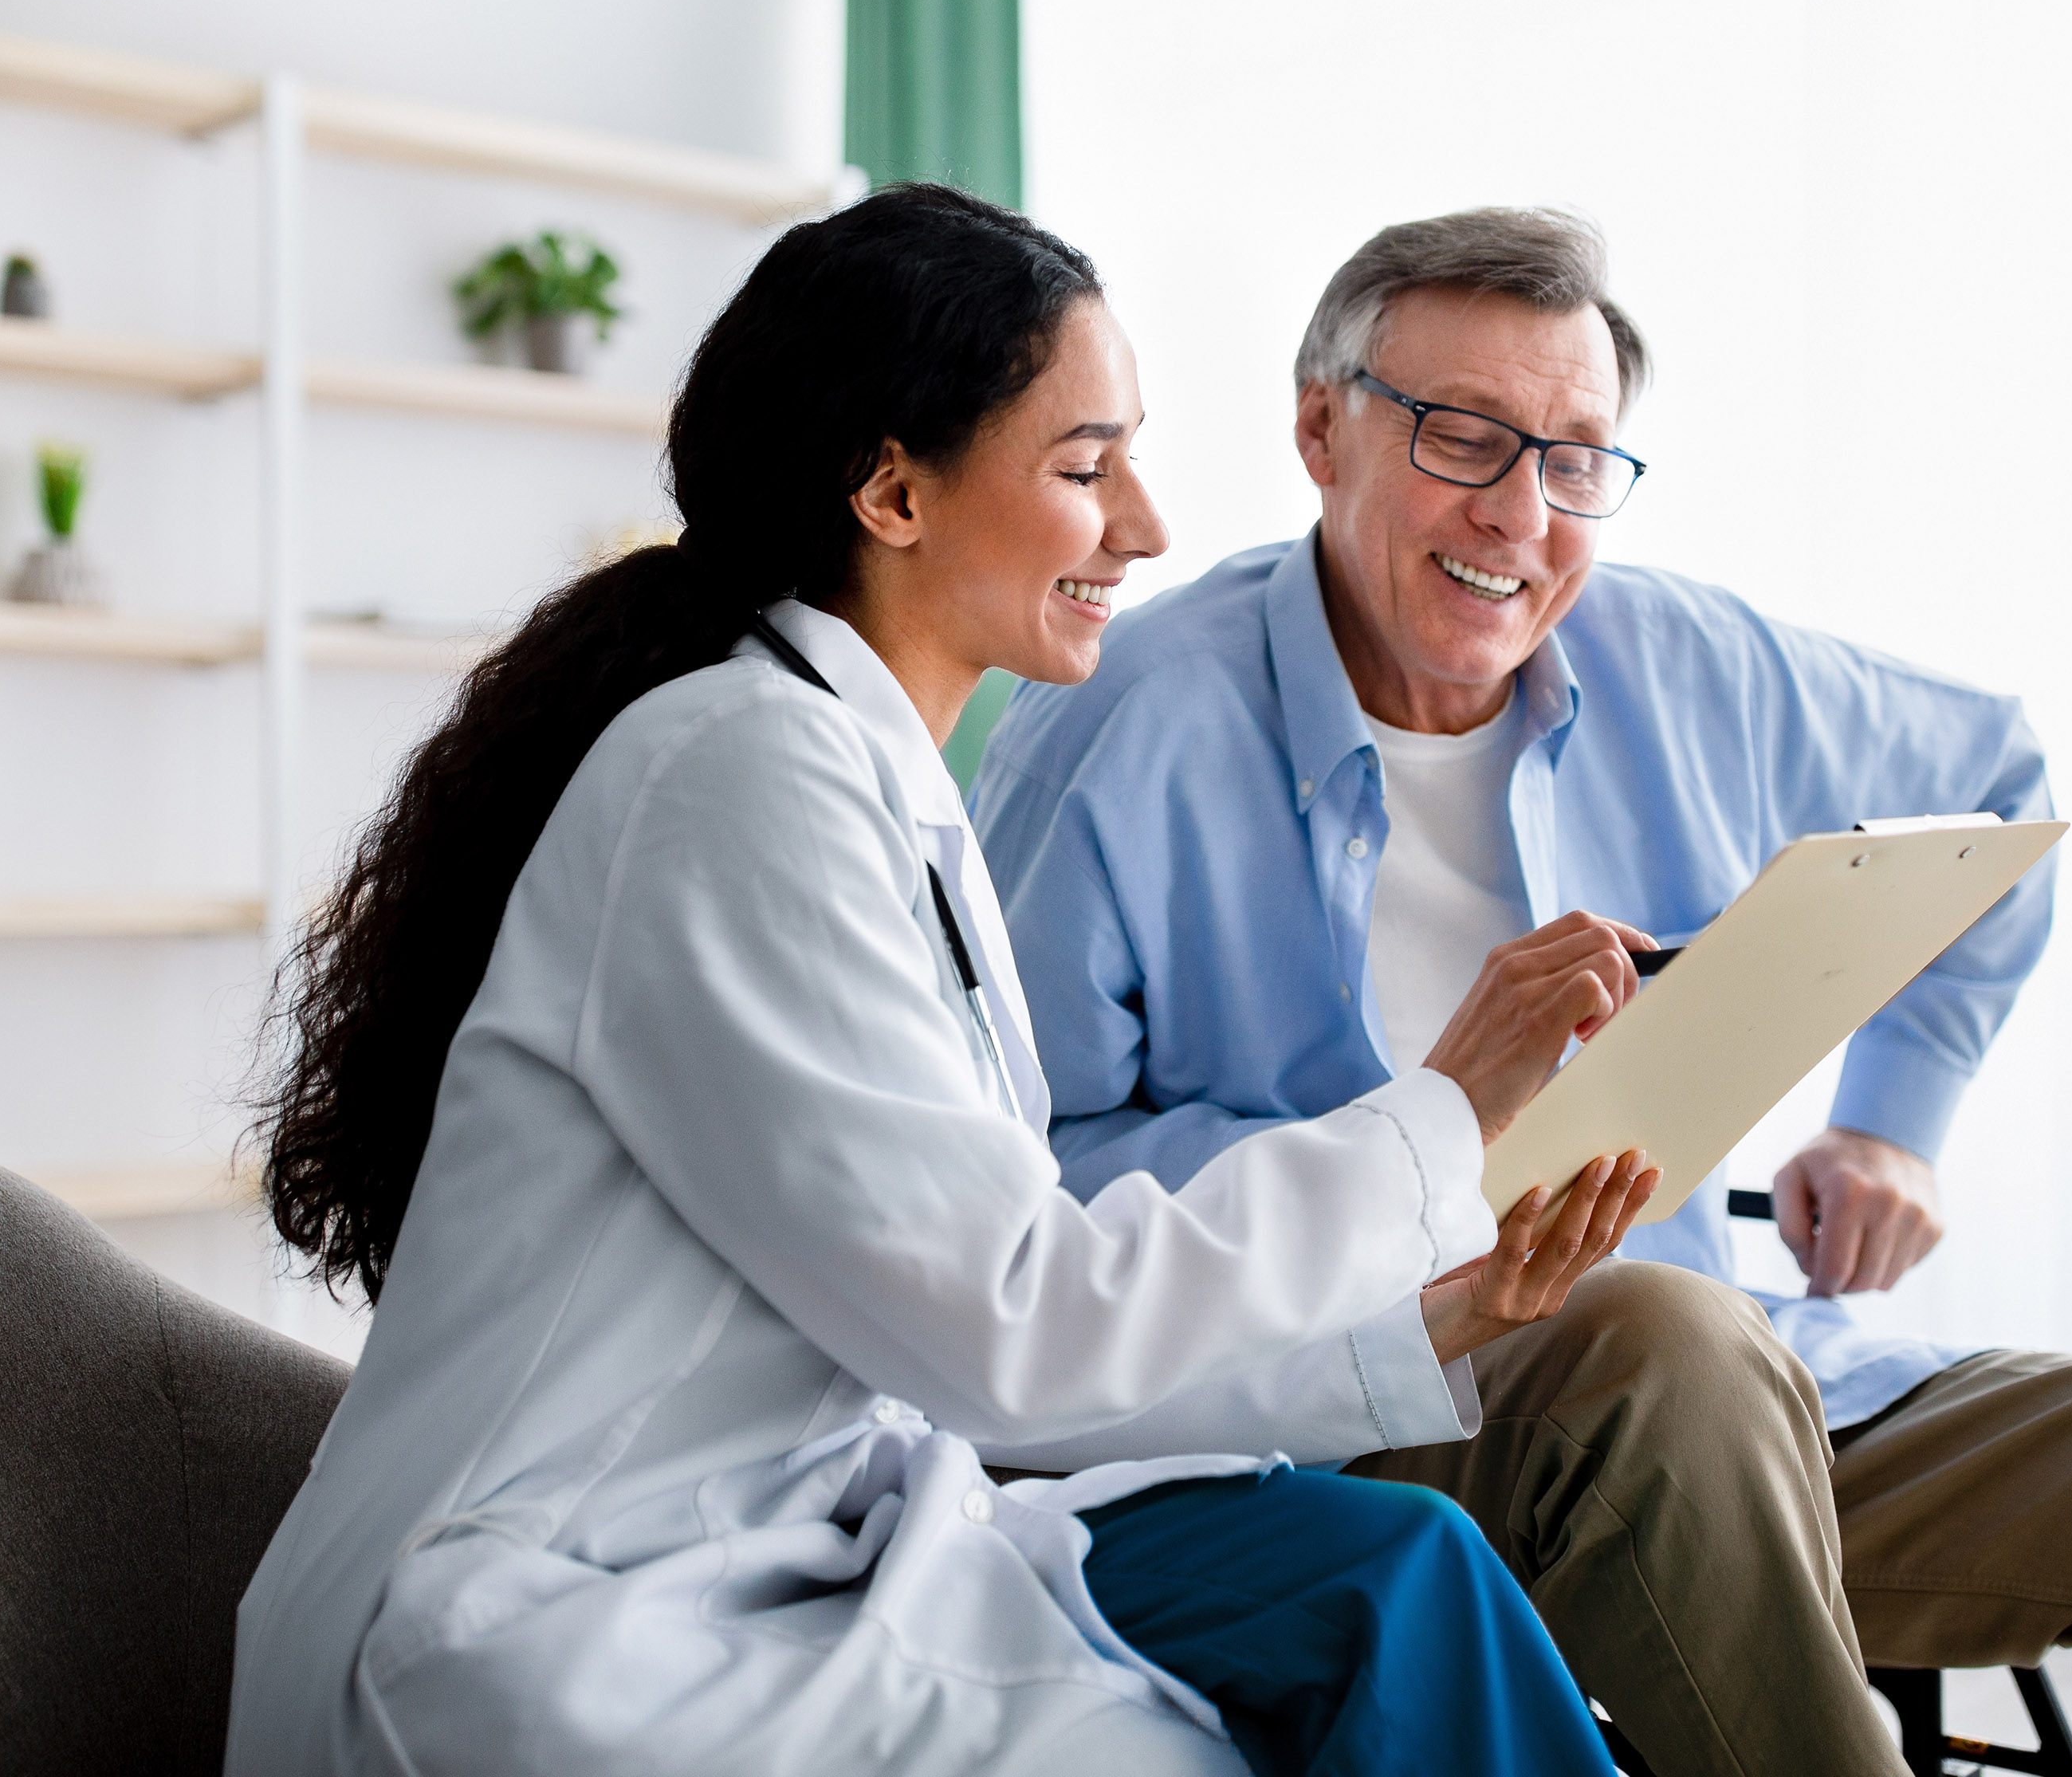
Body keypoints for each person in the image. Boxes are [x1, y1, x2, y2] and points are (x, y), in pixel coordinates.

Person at [973, 208, 2072, 1777]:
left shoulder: (1687, 659)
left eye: (1574, 460)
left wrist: (1895, 1122)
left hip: (1732, 1402)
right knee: (1662, 1338)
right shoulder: (1121, 724)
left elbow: (1994, 783)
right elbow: (1021, 1183)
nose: (1522, 513)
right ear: (1319, 426)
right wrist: (1414, 1154)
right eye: (1465, 437)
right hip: (1352, 1400)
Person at [226, 186, 1665, 1777]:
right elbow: (1011, 1330)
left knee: (1401, 1573)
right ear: (895, 490)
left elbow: (973, 1342)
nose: (1146, 523)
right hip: (550, 1613)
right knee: (1301, 1662)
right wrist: (1445, 1111)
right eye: (1083, 465)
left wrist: (1415, 1327)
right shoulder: (735, 774)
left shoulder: (869, 775)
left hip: (785, 1543)